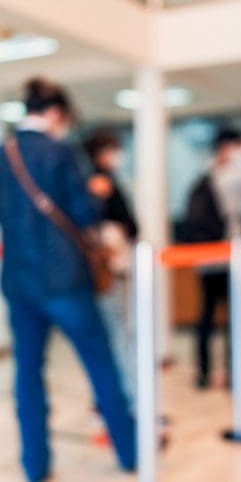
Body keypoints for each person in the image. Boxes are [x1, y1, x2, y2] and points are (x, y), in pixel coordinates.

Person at [0, 78, 136, 482]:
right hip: (65, 280)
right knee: (100, 364)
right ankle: (129, 452)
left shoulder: (4, 153)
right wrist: (96, 192)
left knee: (27, 373)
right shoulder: (60, 152)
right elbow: (84, 214)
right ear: (56, 113)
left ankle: (35, 465)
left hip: (20, 282)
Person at [184, 128, 241, 388]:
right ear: (229, 147)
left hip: (206, 257)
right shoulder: (232, 176)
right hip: (228, 254)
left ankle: (203, 373)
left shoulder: (204, 173)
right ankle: (233, 373)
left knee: (207, 312)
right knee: (234, 314)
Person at [84, 129, 138, 405]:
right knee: (114, 331)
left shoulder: (107, 179)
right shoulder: (96, 181)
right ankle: (117, 396)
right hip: (106, 267)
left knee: (117, 330)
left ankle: (114, 395)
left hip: (114, 265)